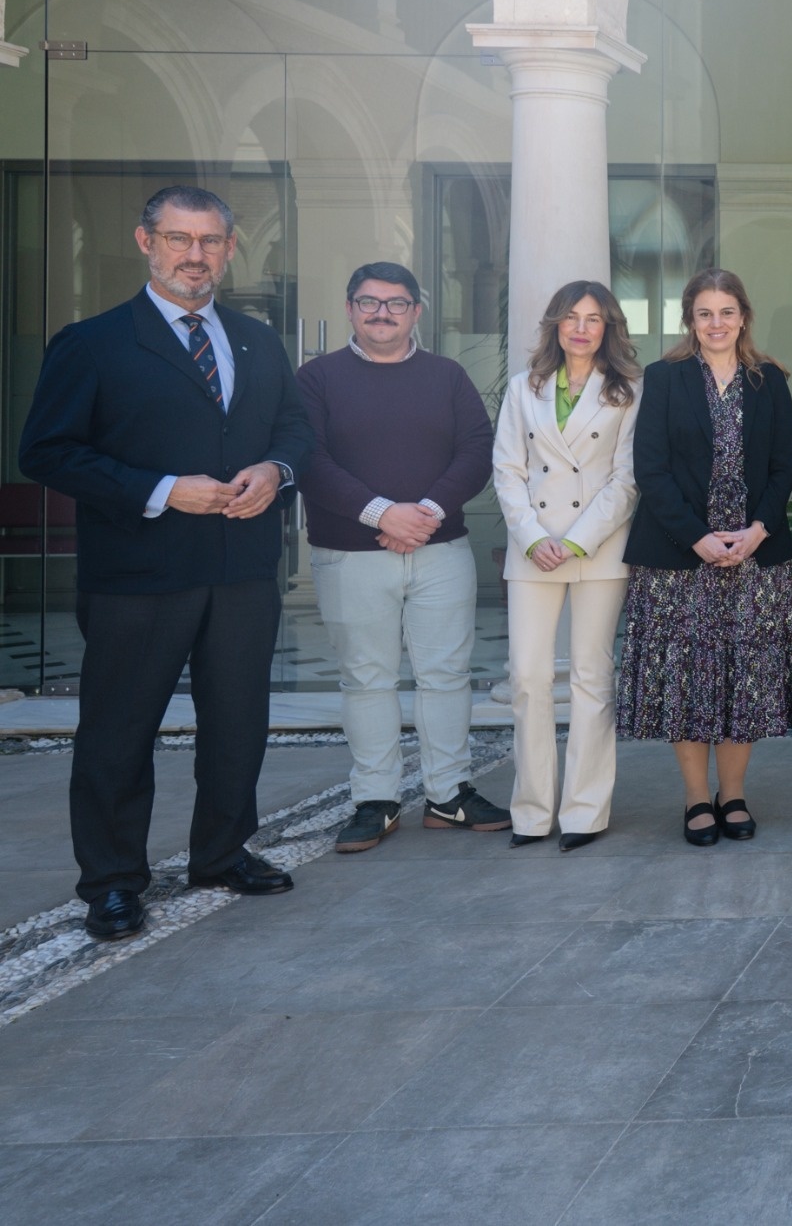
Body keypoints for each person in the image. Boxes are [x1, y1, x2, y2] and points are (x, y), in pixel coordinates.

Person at [20, 185, 313, 941]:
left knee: (238, 722)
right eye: (180, 238)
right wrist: (161, 490)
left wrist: (276, 471)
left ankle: (222, 851)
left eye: (210, 240)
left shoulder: (255, 339)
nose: (195, 254)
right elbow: (47, 451)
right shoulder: (92, 342)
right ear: (146, 241)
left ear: (229, 248)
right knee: (119, 732)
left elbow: (295, 427)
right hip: (138, 573)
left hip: (242, 567)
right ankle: (113, 881)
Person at [297, 262, 500, 851]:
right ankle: (376, 801)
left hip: (441, 551)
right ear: (350, 307)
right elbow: (309, 459)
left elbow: (477, 449)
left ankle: (449, 794)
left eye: (395, 303)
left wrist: (427, 511)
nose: (381, 313)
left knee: (445, 676)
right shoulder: (317, 378)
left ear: (416, 310)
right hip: (349, 554)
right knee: (366, 679)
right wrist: (382, 513)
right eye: (368, 302)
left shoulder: (447, 375)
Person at [620, 269, 792, 846]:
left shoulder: (769, 380)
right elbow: (649, 470)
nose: (716, 323)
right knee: (686, 682)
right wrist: (697, 538)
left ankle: (735, 794)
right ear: (690, 321)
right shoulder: (664, 377)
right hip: (679, 559)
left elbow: (784, 467)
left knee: (743, 680)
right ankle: (697, 799)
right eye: (705, 313)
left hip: (754, 557)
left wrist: (756, 531)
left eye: (727, 312)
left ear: (744, 316)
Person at [491, 280, 642, 851]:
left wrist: (576, 541)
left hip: (597, 549)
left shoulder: (627, 391)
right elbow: (507, 469)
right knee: (528, 679)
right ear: (555, 324)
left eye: (594, 318)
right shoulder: (522, 387)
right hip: (532, 550)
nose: (582, 327)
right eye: (572, 317)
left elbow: (626, 481)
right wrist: (532, 538)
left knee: (591, 680)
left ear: (609, 328)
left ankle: (584, 810)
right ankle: (531, 811)